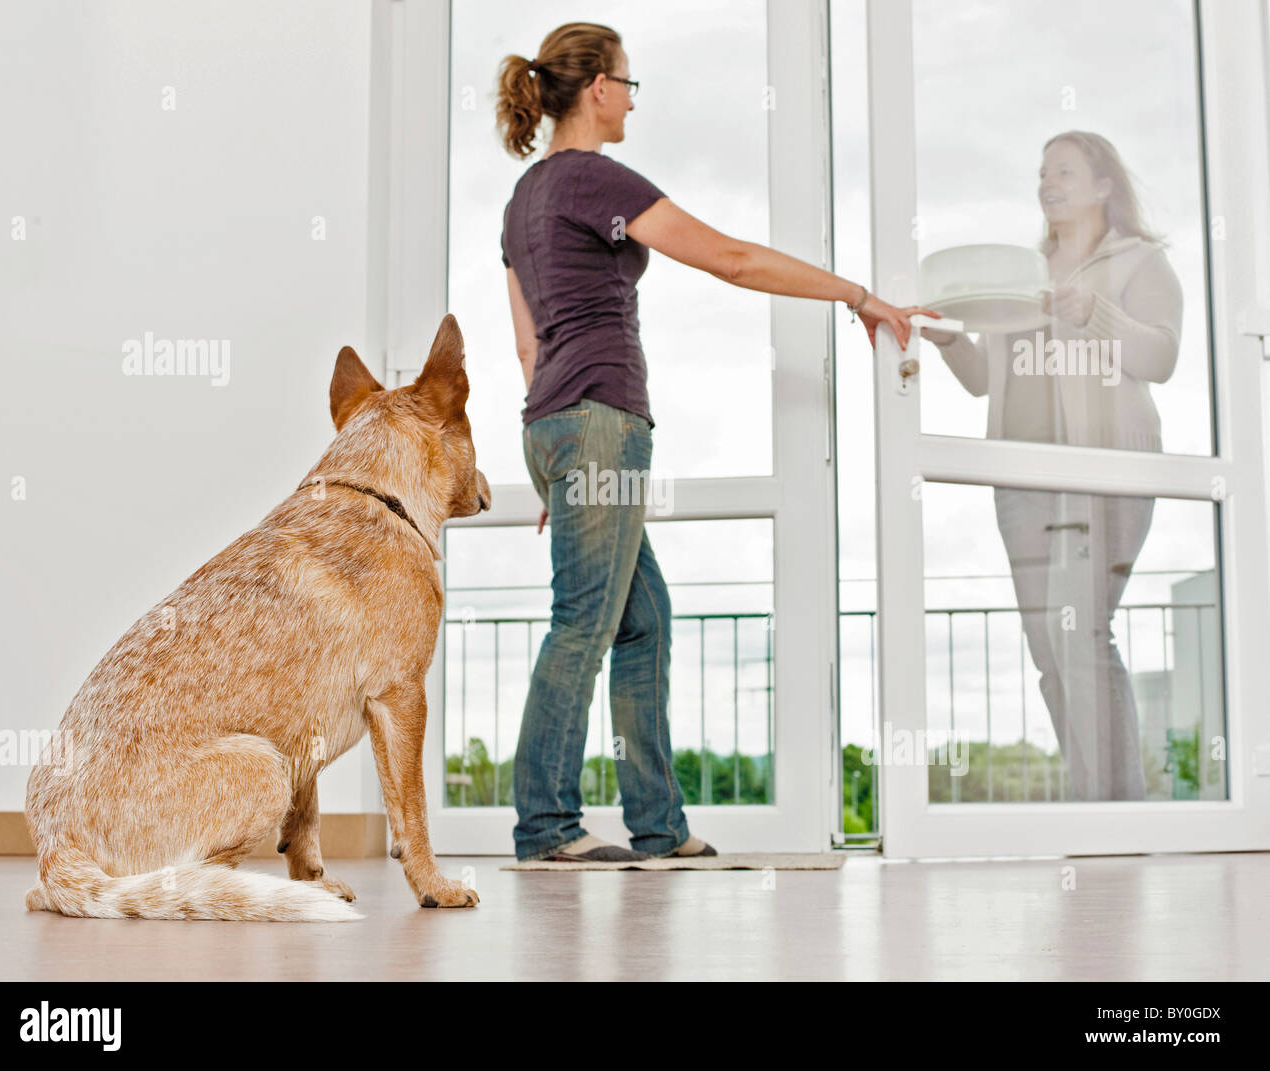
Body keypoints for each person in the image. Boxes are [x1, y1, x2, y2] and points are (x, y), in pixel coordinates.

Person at [497, 21, 935, 861]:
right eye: (628, 83)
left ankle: (658, 828)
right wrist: (857, 295)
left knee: (643, 618)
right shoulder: (594, 178)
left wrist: (553, 466)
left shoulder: (522, 200)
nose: (631, 99)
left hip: (553, 421)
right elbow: (729, 259)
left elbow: (527, 345)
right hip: (598, 420)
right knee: (584, 622)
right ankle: (545, 826)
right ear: (596, 89)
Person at [921, 130, 1183, 801]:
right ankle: (1096, 799)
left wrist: (1096, 312)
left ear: (1103, 186)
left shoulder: (1139, 263)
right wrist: (950, 338)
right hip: (1023, 479)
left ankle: (1114, 811)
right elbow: (985, 380)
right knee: (1049, 650)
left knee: (1083, 633)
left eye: (1063, 170)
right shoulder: (1023, 272)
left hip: (1106, 471)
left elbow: (1160, 358)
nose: (1047, 183)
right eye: (1042, 173)